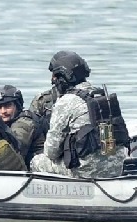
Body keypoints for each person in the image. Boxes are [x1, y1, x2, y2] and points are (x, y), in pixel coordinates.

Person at [29, 51, 128, 179]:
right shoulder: (102, 96)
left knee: (37, 161)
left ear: (63, 78)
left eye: (55, 76)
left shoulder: (66, 102)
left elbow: (51, 152)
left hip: (86, 172)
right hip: (115, 168)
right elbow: (108, 143)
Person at [0, 84, 44, 164]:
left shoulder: (25, 122)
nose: (3, 111)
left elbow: (14, 149)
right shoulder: (3, 123)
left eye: (8, 106)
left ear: (17, 106)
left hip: (36, 170)